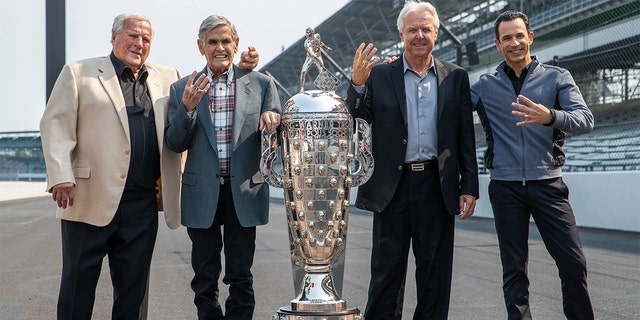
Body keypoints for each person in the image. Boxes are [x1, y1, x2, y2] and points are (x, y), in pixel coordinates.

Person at [39, 13, 259, 319]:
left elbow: (216, 92)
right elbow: (55, 126)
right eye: (132, 36)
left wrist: (244, 68)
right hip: (89, 198)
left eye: (146, 39)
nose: (139, 43)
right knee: (78, 286)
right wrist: (61, 175)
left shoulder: (168, 77)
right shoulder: (79, 73)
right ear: (114, 37)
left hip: (142, 205)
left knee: (133, 291)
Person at [345, 1, 479, 319]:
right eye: (412, 30)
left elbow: (465, 136)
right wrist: (357, 83)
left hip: (437, 185)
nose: (419, 35)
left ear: (436, 33)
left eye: (426, 29)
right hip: (392, 186)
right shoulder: (379, 75)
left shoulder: (456, 77)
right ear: (401, 34)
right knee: (386, 277)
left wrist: (469, 185)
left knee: (435, 278)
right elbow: (353, 116)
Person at [470, 11, 594, 320]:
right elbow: (446, 99)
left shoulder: (557, 77)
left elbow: (585, 119)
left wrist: (550, 116)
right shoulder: (485, 85)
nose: (515, 43)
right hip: (505, 187)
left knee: (573, 262)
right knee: (514, 269)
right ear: (498, 44)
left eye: (519, 35)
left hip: (548, 184)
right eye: (507, 38)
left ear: (530, 37)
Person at [164, 15, 281, 319]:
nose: (220, 48)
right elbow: (175, 143)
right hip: (201, 192)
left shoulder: (262, 85)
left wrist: (272, 121)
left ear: (236, 44)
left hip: (244, 191)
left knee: (241, 275)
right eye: (212, 42)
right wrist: (188, 109)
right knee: (204, 277)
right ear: (200, 46)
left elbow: (279, 133)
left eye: (226, 41)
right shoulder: (181, 89)